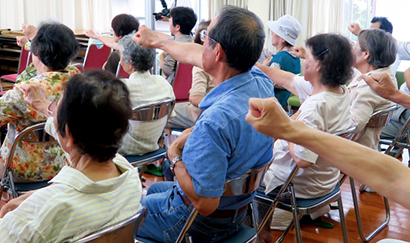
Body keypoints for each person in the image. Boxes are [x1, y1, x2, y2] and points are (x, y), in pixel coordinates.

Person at [134, 5, 274, 242]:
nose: (201, 43)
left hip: (201, 221)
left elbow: (205, 204)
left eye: (206, 37)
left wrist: (174, 154)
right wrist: (157, 40)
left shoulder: (214, 122)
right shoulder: (262, 84)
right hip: (237, 210)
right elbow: (192, 53)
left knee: (125, 213)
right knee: (156, 190)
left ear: (218, 51)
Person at [245, 94, 410, 243]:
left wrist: (290, 132)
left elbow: (393, 177)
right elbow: (394, 177)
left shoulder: (320, 105)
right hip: (328, 183)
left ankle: (258, 230)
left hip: (306, 187)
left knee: (253, 180)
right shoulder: (342, 95)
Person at [0, 70, 142, 242]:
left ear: (69, 133)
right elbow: (70, 136)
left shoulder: (38, 216)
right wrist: (43, 105)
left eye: (55, 107)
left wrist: (38, 201)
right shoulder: (131, 179)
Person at [256, 33, 354, 242]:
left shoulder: (314, 108)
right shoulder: (339, 92)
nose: (303, 62)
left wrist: (289, 127)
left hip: (300, 185)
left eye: (307, 58)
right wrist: (257, 67)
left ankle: (259, 230)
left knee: (249, 177)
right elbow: (288, 79)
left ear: (318, 65)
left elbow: (304, 160)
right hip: (327, 179)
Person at [0, 22, 80, 183]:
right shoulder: (78, 81)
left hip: (22, 171)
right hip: (66, 166)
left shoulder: (24, 92)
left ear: (35, 51)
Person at [117, 33, 175, 155]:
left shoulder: (122, 88)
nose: (120, 60)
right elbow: (169, 118)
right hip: (153, 147)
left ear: (130, 61)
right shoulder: (164, 84)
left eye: (121, 56)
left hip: (123, 148)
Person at [349, 29, 397, 150]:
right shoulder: (383, 73)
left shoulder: (373, 83)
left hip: (354, 152)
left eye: (355, 45)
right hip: (366, 146)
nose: (352, 50)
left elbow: (354, 126)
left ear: (366, 53)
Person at [166, 20, 214, 129]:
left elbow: (167, 70)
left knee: (161, 114)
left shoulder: (201, 64)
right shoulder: (232, 64)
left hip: (201, 112)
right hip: (198, 104)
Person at [262, 15, 302, 109]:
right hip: (283, 107)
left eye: (274, 32)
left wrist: (263, 68)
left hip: (271, 109)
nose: (272, 33)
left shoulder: (279, 59)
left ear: (283, 38)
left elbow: (265, 86)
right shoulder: (296, 58)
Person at [160, 6, 197, 81]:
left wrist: (161, 57)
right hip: (192, 85)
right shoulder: (195, 42)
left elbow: (167, 71)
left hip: (175, 87)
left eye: (170, 18)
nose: (169, 21)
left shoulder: (173, 45)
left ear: (177, 27)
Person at [381, 67, 410, 138]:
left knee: (365, 130)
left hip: (403, 114)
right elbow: (407, 71)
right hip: (399, 108)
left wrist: (394, 94)